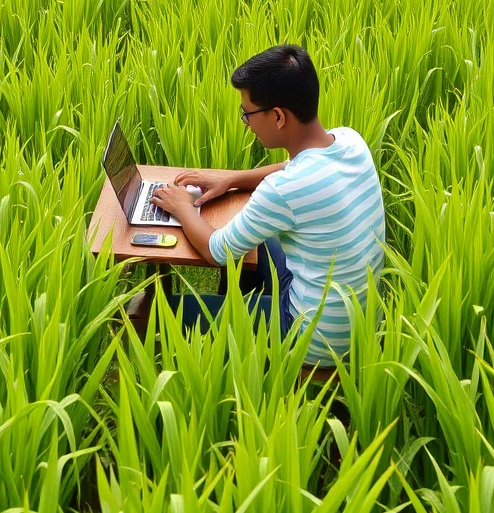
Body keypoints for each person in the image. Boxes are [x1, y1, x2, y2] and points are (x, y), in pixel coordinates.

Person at [132, 43, 386, 366]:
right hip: (356, 321)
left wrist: (182, 206)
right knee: (256, 235)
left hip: (313, 338)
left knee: (154, 308)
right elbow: (291, 168)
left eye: (247, 114)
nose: (246, 122)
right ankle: (235, 326)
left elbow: (216, 250)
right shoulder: (351, 141)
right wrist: (234, 179)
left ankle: (231, 346)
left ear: (278, 116)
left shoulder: (283, 191)